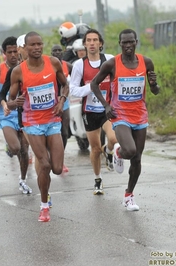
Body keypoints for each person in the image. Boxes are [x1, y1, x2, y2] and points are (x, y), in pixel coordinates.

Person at [90, 28, 160, 211]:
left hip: (140, 115)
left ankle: (129, 195)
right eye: (125, 42)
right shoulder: (112, 64)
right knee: (130, 150)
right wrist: (106, 106)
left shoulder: (146, 62)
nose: (128, 45)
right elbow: (94, 84)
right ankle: (119, 153)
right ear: (120, 44)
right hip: (120, 115)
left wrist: (154, 84)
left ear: (136, 42)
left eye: (131, 42)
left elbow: (155, 91)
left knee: (137, 159)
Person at [9, 32, 69, 222]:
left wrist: (61, 100)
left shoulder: (53, 62)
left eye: (39, 44)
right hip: (32, 123)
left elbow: (65, 85)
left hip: (52, 120)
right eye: (32, 45)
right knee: (44, 164)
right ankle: (44, 206)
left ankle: (45, 171)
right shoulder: (18, 71)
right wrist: (14, 102)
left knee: (57, 168)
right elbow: (10, 100)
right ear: (24, 48)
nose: (36, 48)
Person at [70, 28, 119, 195]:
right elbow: (73, 90)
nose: (92, 43)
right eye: (88, 40)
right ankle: (98, 179)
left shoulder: (110, 60)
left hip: (107, 108)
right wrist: (91, 87)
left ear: (100, 44)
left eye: (95, 40)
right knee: (95, 149)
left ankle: (110, 151)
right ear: (84, 44)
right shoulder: (79, 65)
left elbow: (118, 79)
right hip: (89, 111)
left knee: (113, 138)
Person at [0, 36, 32, 194]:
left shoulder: (25, 67)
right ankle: (9, 146)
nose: (13, 55)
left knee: (24, 150)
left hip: (24, 114)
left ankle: (22, 179)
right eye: (10, 52)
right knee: (15, 148)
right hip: (6, 114)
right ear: (4, 53)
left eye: (16, 51)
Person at [51, 44, 72, 173]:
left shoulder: (68, 66)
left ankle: (61, 159)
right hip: (50, 103)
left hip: (64, 101)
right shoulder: (47, 65)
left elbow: (78, 78)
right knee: (51, 132)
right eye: (55, 51)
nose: (57, 53)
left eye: (59, 50)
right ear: (51, 53)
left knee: (64, 132)